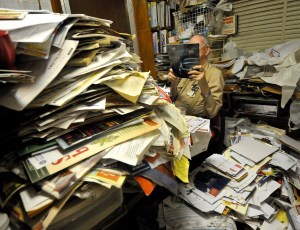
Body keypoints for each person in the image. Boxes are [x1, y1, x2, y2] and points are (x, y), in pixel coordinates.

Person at [168, 35, 224, 119]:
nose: (191, 51)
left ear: (207, 50)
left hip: (196, 120)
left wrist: (203, 84)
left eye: (195, 47)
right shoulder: (186, 69)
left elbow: (213, 112)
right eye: (189, 47)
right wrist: (174, 83)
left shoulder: (215, 74)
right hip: (177, 116)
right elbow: (173, 98)